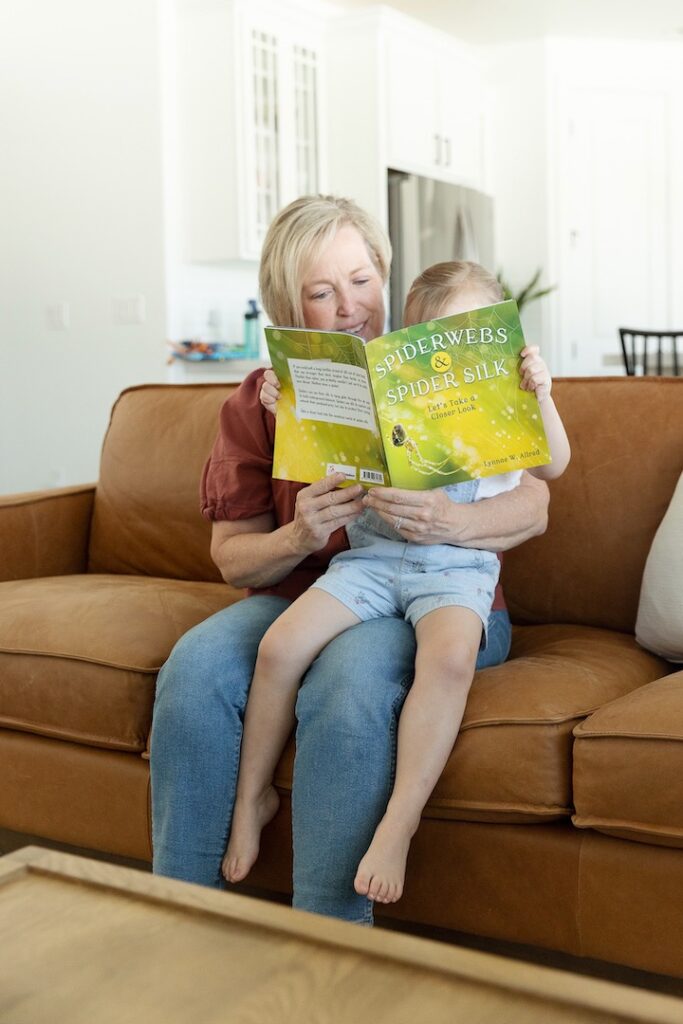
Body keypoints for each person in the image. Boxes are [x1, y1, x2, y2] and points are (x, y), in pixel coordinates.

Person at [150, 195, 551, 925]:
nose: (350, 309)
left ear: (385, 274)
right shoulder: (255, 401)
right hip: (318, 586)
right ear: (286, 304)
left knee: (350, 679)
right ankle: (181, 915)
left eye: (361, 280)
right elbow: (234, 563)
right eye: (321, 292)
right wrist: (297, 536)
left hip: (437, 590)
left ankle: (326, 942)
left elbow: (536, 503)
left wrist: (453, 520)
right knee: (194, 668)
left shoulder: (437, 367)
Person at [221, 260, 570, 904]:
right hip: (373, 559)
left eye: (468, 332)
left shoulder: (511, 394)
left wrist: (539, 391)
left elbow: (553, 466)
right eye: (432, 336)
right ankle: (253, 797)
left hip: (456, 568)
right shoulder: (387, 385)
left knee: (449, 661)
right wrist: (286, 399)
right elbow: (320, 443)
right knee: (277, 648)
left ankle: (398, 825)